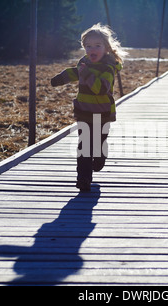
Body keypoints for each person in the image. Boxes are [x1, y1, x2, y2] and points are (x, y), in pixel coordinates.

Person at [51, 23, 127, 192]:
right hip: (84, 111)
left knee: (98, 143)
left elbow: (100, 88)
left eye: (97, 46)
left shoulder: (108, 67)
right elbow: (74, 72)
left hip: (102, 113)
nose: (92, 49)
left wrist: (86, 74)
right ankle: (83, 178)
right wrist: (60, 79)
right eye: (88, 46)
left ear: (106, 48)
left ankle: (100, 157)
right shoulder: (84, 63)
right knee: (84, 145)